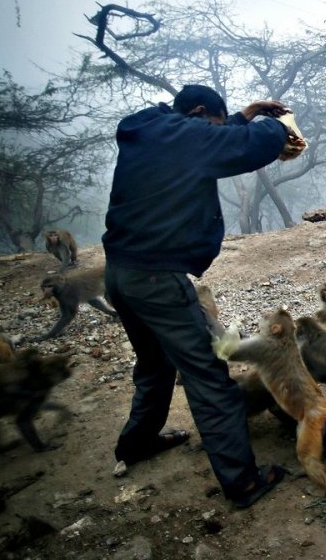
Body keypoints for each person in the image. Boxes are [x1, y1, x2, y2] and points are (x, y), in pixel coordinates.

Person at [103, 84, 304, 508]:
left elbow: (209, 137)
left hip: (120, 273)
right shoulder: (183, 137)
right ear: (197, 112)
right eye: (213, 123)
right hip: (157, 280)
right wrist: (276, 124)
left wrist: (244, 113)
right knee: (209, 378)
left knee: (154, 363)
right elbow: (246, 146)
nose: (214, 133)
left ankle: (137, 443)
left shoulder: (154, 129)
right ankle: (242, 481)